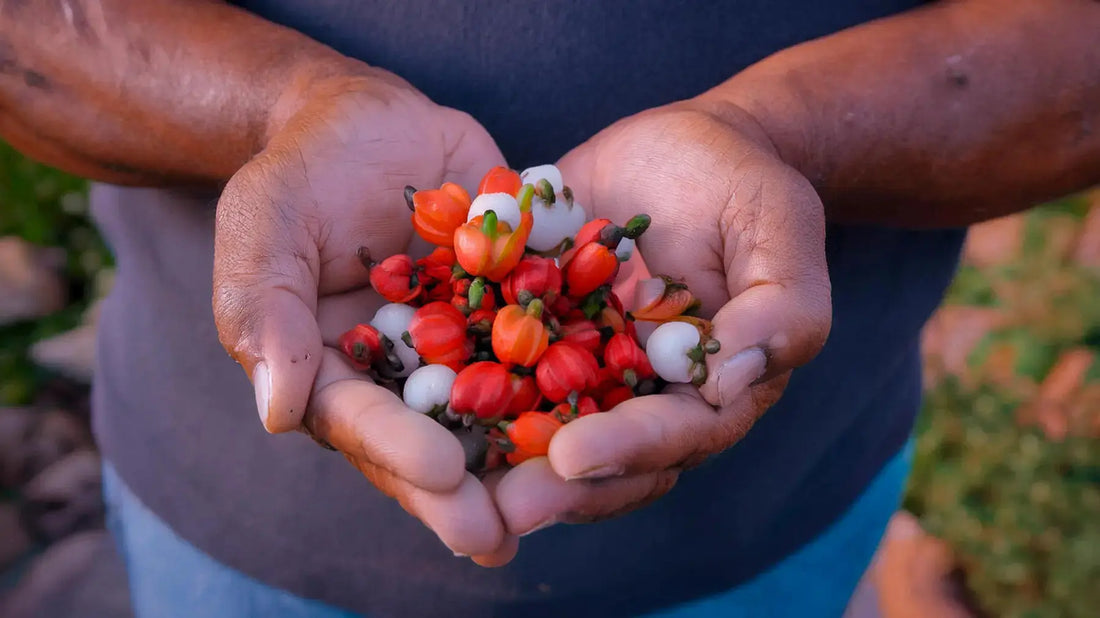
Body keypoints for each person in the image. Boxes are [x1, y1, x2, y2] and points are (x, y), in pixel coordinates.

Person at [2, 0, 1098, 616]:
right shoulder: (490, 310)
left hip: (770, 527)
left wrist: (783, 135)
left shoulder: (503, 307)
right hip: (234, 533)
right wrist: (283, 106)